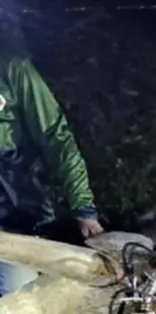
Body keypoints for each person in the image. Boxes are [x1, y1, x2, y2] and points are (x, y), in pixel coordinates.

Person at [0, 8, 104, 296]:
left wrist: (83, 208)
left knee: (18, 288)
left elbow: (55, 136)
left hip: (15, 205)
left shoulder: (11, 65)